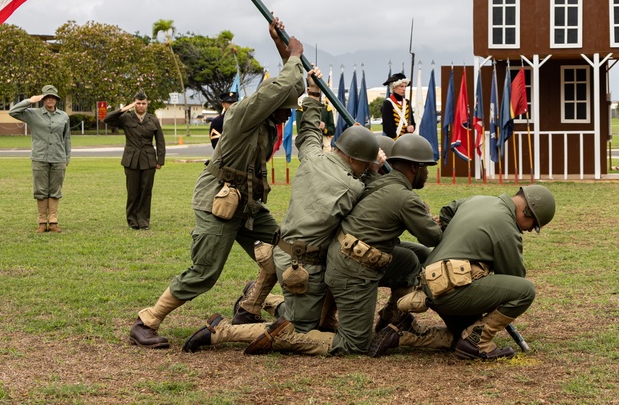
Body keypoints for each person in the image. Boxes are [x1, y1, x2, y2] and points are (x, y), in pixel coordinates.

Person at [129, 17, 305, 349]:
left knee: (284, 247)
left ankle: (249, 307)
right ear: (271, 105)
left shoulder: (267, 123)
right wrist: (294, 57)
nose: (288, 114)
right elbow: (280, 88)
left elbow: (287, 88)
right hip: (218, 201)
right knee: (205, 271)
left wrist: (282, 49)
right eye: (285, 110)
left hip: (248, 204)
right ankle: (146, 321)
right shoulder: (244, 114)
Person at [182, 98, 384, 352]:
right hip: (303, 266)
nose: (365, 168)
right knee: (299, 329)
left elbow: (309, 132)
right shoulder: (353, 186)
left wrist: (311, 101)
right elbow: (374, 198)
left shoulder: (312, 157)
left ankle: (263, 300)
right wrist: (375, 171)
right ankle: (221, 331)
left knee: (315, 319)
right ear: (355, 161)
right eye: (364, 164)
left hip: (285, 253)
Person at [243, 133, 442, 356]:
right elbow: (432, 236)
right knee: (346, 341)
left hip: (336, 258)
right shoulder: (378, 190)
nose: (427, 173)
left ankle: (392, 317)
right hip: (339, 266)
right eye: (425, 167)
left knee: (410, 259)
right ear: (415, 168)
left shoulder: (370, 184)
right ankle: (230, 332)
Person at [371, 184, 556, 360]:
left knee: (461, 335)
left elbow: (447, 212)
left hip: (431, 283)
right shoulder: (508, 229)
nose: (530, 230)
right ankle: (478, 342)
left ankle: (405, 333)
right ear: (527, 211)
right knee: (525, 291)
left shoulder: (476, 200)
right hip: (453, 291)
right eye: (534, 224)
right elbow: (514, 280)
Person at [9, 85, 71, 233]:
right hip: (40, 157)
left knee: (55, 189)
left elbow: (66, 137)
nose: (50, 99)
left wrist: (67, 156)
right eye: (47, 97)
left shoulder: (63, 116)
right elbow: (13, 112)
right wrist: (29, 101)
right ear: (42, 98)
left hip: (58, 157)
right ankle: (42, 222)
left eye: (53, 97)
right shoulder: (33, 114)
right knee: (41, 189)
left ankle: (53, 222)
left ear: (56, 99)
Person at [103, 90, 166, 230]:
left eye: (144, 103)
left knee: (146, 191)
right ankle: (132, 220)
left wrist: (160, 160)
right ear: (134, 104)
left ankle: (143, 221)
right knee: (132, 192)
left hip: (149, 159)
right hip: (131, 159)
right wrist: (124, 109)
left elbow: (160, 141)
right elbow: (107, 119)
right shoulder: (126, 118)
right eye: (138, 103)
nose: (141, 106)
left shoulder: (153, 120)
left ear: (147, 104)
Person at [381, 72, 415, 139]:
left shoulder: (407, 102)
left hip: (407, 139)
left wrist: (412, 127)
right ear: (393, 88)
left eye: (405, 86)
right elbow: (387, 127)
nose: (404, 89)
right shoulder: (388, 103)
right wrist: (396, 139)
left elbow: (412, 122)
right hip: (393, 141)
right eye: (401, 86)